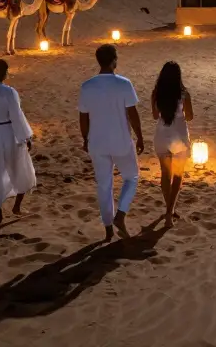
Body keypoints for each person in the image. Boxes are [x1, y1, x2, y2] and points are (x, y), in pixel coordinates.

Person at [78, 44, 145, 240]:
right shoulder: (124, 84)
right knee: (131, 177)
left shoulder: (87, 86)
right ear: (114, 60)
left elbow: (83, 117)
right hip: (121, 140)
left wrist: (85, 138)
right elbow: (133, 114)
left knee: (104, 185)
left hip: (97, 142)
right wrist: (140, 136)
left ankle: (108, 228)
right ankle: (121, 214)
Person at [0, 59, 36, 223]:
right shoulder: (9, 92)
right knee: (20, 169)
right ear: (3, 74)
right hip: (8, 133)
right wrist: (25, 137)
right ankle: (16, 207)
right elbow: (17, 116)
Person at [151, 61, 194, 227]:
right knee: (177, 175)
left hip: (162, 135)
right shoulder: (183, 94)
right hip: (179, 137)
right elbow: (190, 116)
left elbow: (155, 116)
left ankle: (169, 208)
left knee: (165, 174)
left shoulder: (156, 93)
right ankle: (170, 212)